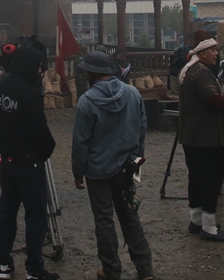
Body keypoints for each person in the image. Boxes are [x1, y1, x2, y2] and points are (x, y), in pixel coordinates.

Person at [73, 50, 153, 279]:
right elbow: (142, 129)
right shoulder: (132, 93)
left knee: (104, 221)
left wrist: (78, 171)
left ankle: (111, 270)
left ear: (90, 72)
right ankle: (145, 269)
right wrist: (137, 161)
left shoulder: (86, 101)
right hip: (126, 167)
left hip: (98, 171)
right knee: (129, 215)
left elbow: (81, 142)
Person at [0, 45, 58, 280]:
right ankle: (34, 269)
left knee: (7, 214)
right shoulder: (30, 94)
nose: (41, 71)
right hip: (29, 162)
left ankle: (4, 266)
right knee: (35, 217)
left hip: (7, 161)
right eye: (39, 66)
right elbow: (41, 131)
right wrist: (47, 151)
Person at [177, 38, 224, 241]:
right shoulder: (201, 73)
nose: (216, 53)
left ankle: (196, 220)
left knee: (196, 179)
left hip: (192, 136)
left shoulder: (190, 70)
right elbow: (213, 100)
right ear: (202, 53)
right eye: (213, 50)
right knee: (211, 180)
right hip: (206, 137)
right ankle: (209, 227)